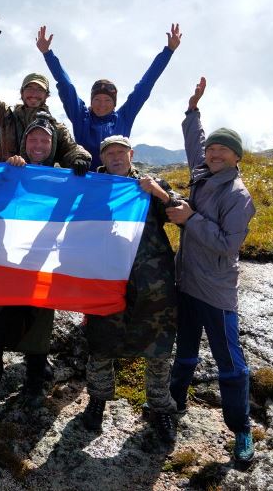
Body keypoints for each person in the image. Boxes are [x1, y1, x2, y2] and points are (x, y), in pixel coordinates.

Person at [0, 113, 92, 416]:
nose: (38, 144)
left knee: (38, 324)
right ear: (25, 143)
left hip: (42, 263)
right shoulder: (10, 170)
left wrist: (78, 160)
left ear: (53, 146)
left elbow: (80, 155)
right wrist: (7, 174)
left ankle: (34, 380)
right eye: (33, 139)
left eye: (45, 140)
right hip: (4, 263)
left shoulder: (62, 177)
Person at [166, 77, 256, 463]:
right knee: (184, 350)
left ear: (237, 157)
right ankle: (174, 404)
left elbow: (226, 244)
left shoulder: (238, 196)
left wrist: (188, 220)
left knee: (229, 360)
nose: (215, 153)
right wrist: (192, 110)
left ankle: (242, 428)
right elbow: (195, 143)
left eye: (224, 150)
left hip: (216, 292)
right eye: (213, 148)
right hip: (187, 284)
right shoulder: (202, 173)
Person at [80, 135, 180, 445]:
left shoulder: (150, 185)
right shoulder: (92, 189)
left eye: (121, 152)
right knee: (100, 342)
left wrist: (157, 191)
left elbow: (180, 210)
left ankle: (161, 407)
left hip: (153, 284)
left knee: (159, 348)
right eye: (110, 152)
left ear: (131, 154)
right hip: (107, 281)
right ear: (103, 156)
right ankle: (97, 401)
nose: (116, 157)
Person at [36, 23, 182, 170]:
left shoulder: (123, 117)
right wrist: (47, 54)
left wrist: (168, 51)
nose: (102, 104)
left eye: (107, 100)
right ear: (91, 101)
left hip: (115, 180)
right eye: (97, 100)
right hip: (85, 178)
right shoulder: (81, 116)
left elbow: (145, 85)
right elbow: (66, 85)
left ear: (114, 104)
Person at [0, 9, 91, 173]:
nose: (34, 93)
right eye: (29, 88)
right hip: (3, 186)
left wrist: (79, 159)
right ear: (21, 93)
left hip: (35, 190)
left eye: (39, 90)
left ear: (47, 96)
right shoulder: (6, 116)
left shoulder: (56, 127)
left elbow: (71, 149)